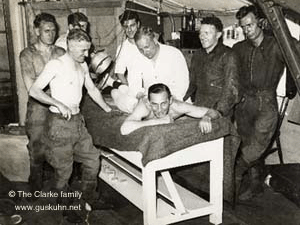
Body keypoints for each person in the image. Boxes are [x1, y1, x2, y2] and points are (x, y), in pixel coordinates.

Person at [29, 29, 112, 222]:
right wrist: (57, 103)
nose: (87, 54)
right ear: (71, 46)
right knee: (64, 172)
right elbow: (34, 90)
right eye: (83, 50)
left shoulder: (82, 65)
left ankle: (88, 198)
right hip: (59, 125)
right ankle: (64, 209)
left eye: (88, 50)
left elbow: (91, 89)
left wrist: (107, 109)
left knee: (93, 158)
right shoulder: (56, 65)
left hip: (77, 123)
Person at [232, 5, 285, 200]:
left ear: (260, 22)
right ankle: (255, 185)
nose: (247, 30)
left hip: (266, 103)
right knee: (247, 141)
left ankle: (235, 173)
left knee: (255, 145)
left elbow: (295, 50)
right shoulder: (239, 49)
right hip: (245, 104)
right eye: (243, 27)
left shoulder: (276, 46)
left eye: (250, 25)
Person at [19, 13, 65, 194]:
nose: (51, 34)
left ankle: (62, 189)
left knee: (61, 147)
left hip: (59, 105)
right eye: (47, 31)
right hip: (38, 107)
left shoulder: (60, 53)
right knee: (37, 149)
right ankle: (35, 186)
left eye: (54, 30)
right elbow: (31, 88)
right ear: (37, 31)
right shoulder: (27, 54)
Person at [112, 26, 190, 113]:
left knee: (179, 105)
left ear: (155, 40)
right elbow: (134, 85)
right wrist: (140, 96)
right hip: (149, 102)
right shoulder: (137, 58)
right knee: (116, 93)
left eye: (147, 47)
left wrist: (166, 100)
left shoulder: (174, 54)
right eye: (141, 49)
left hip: (172, 101)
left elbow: (183, 85)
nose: (145, 52)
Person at [184, 16, 240, 119]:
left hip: (219, 113)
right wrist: (183, 102)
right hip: (198, 109)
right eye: (200, 33)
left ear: (218, 35)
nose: (202, 37)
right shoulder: (197, 55)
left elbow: (231, 90)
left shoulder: (228, 55)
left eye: (207, 33)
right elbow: (192, 84)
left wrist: (217, 112)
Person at [120, 83, 220, 135]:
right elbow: (124, 129)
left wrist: (207, 117)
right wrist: (158, 121)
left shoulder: (177, 106)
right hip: (131, 105)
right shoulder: (144, 106)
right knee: (117, 94)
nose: (159, 109)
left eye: (163, 104)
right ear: (149, 103)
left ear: (170, 100)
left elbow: (214, 112)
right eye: (154, 104)